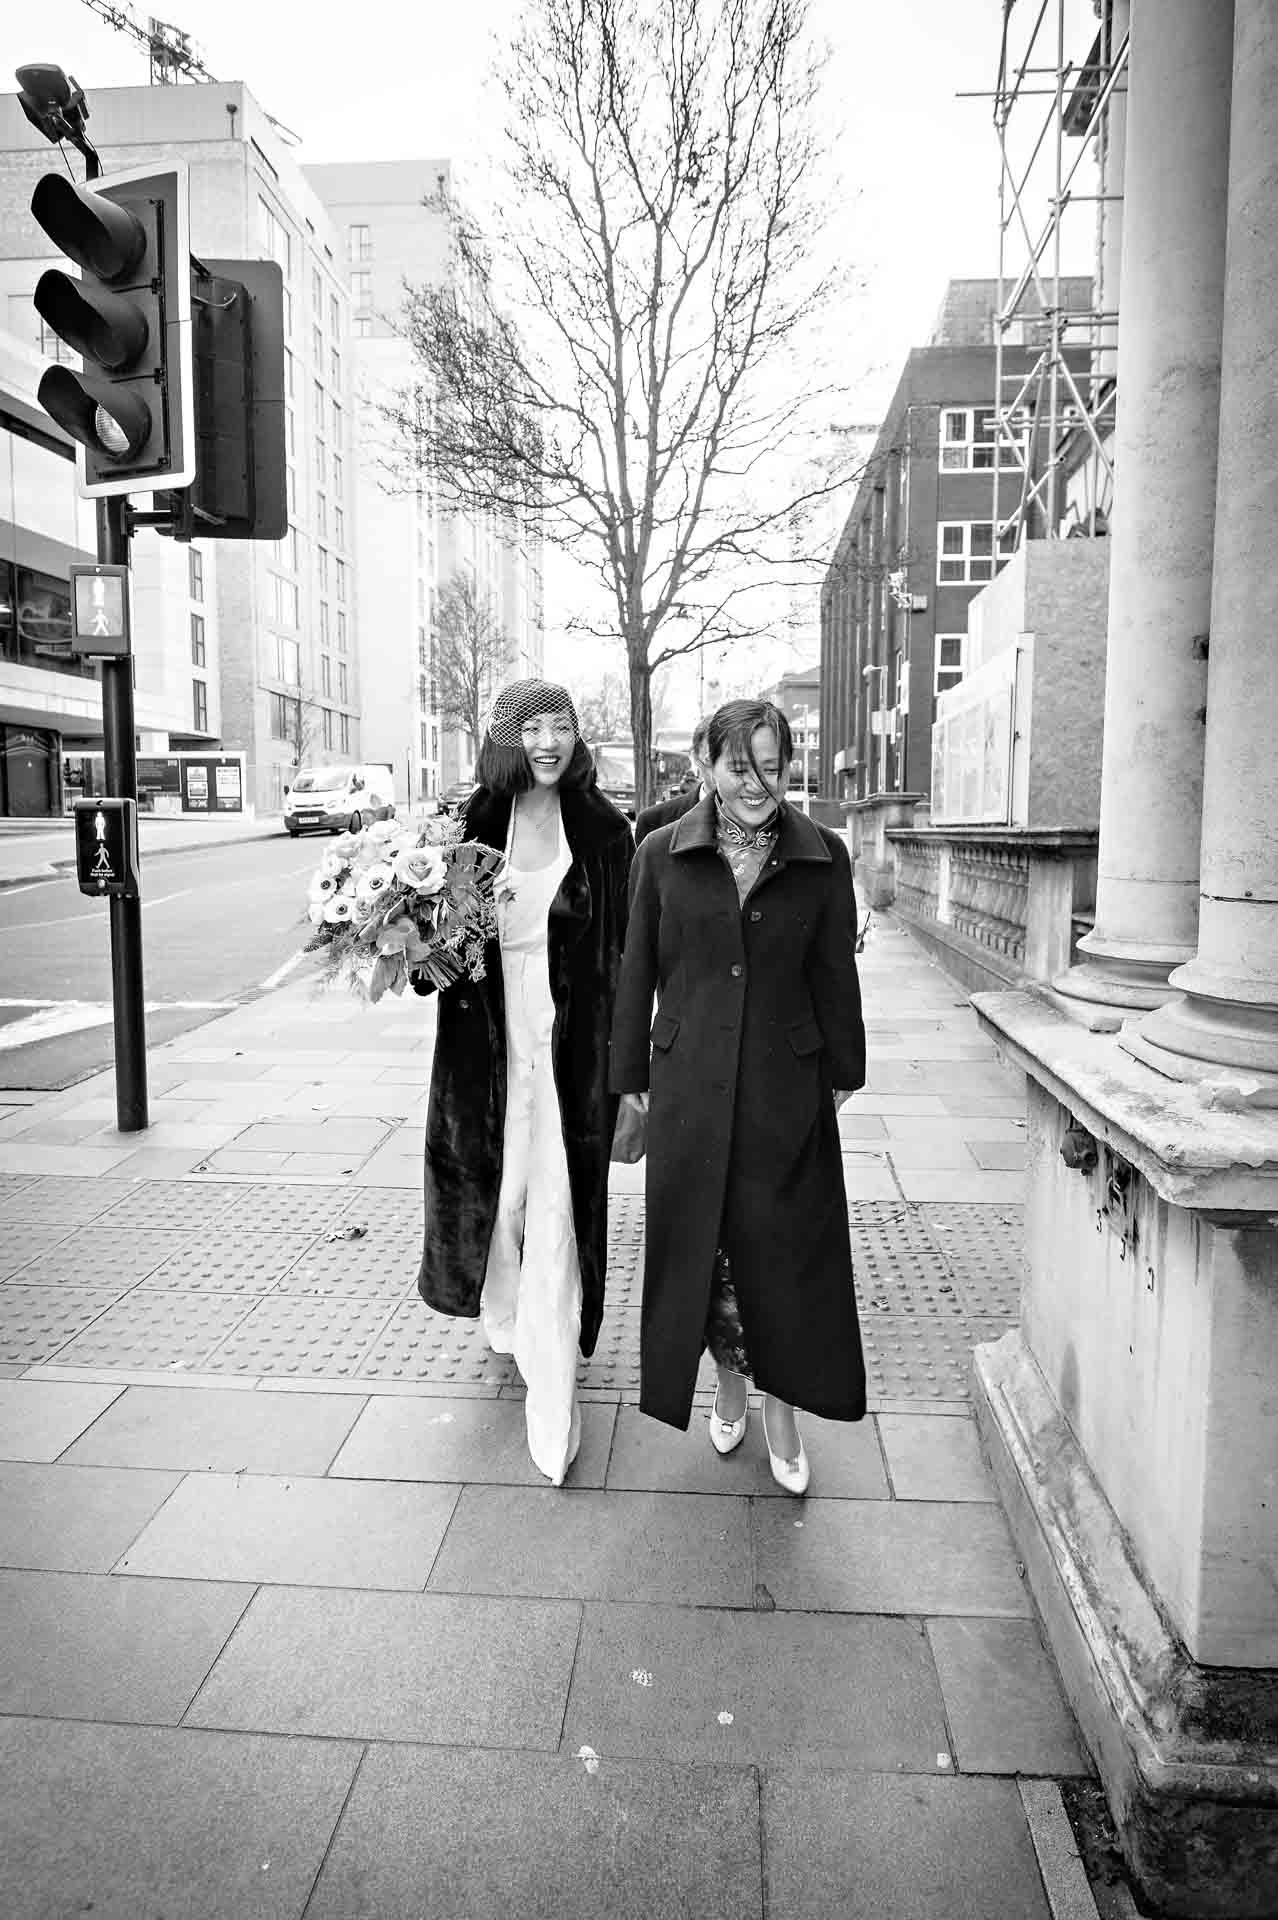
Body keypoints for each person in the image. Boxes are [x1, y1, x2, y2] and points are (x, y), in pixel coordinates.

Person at [610, 697, 866, 1493]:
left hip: (784, 1089)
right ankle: (726, 1383)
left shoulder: (823, 853)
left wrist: (843, 1070)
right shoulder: (658, 852)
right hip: (688, 1088)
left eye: (771, 764)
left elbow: (835, 971)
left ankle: (782, 1413)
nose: (757, 783)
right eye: (738, 764)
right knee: (708, 1255)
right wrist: (631, 1084)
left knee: (785, 1255)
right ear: (706, 765)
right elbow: (637, 973)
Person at [414, 678, 633, 1484]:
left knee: (560, 1210)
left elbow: (627, 954)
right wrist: (409, 943)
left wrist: (630, 1068)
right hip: (486, 1052)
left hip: (573, 1050)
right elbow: (439, 960)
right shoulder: (472, 822)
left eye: (562, 727)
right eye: (532, 729)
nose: (549, 743)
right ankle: (502, 1311)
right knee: (499, 1197)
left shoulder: (607, 832)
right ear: (507, 740)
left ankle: (555, 1400)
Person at [633, 717, 712, 845]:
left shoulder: (754, 819)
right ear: (696, 757)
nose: (724, 766)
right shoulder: (654, 822)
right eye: (714, 757)